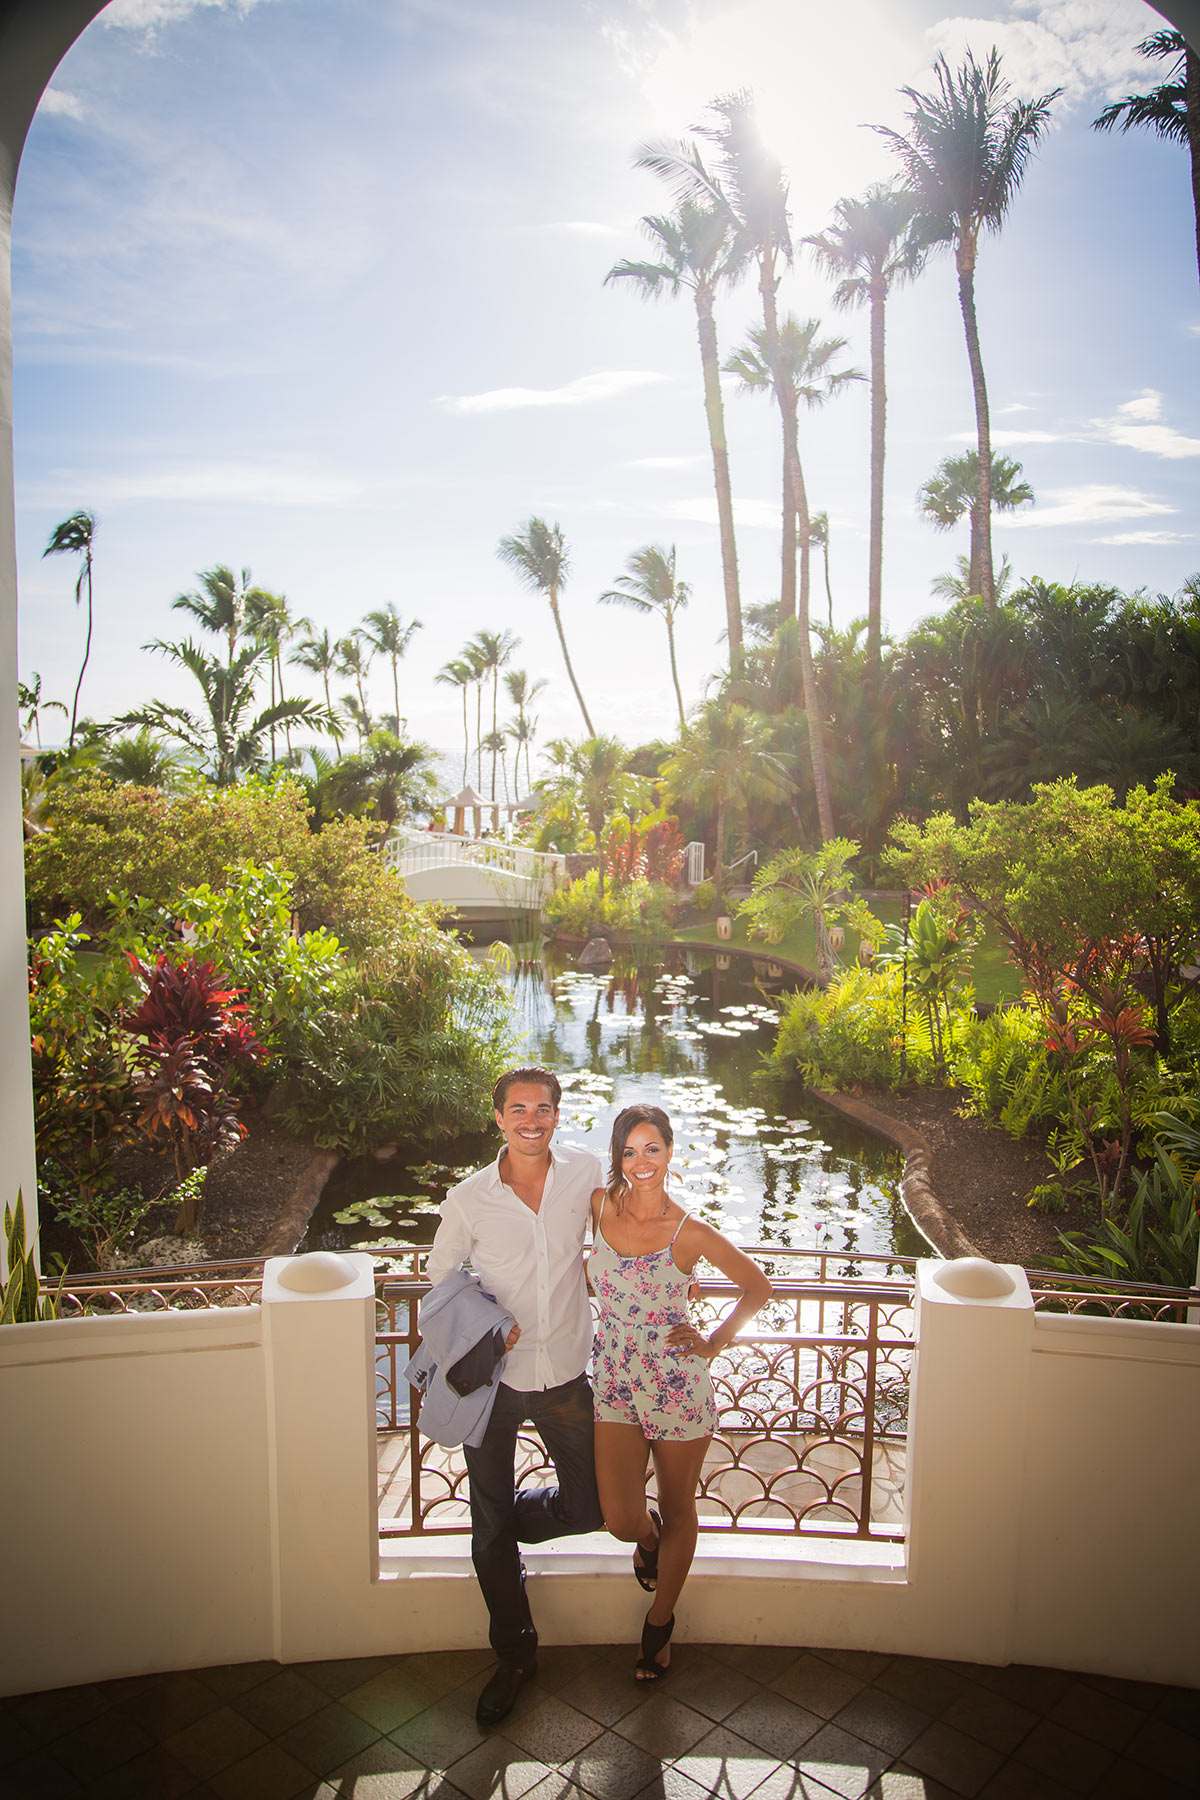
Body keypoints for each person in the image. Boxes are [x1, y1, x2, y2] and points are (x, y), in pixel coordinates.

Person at [425, 1066, 605, 1726]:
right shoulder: (470, 1198)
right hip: (495, 1386)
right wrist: (488, 1324)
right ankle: (515, 1654)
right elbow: (440, 1279)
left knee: (594, 1506)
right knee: (491, 1521)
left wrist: (672, 1271)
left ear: (558, 1115)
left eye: (545, 1108)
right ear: (498, 1117)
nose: (533, 1119)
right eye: (519, 1108)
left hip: (564, 1377)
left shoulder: (585, 1173)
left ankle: (497, 1529)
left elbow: (633, 1220)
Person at [589, 1102, 772, 1680]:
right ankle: (648, 1544)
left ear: (669, 1151)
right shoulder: (597, 1207)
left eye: (652, 1149)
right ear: (616, 1157)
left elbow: (756, 1287)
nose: (641, 1162)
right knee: (620, 1515)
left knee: (677, 1504)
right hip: (613, 1377)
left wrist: (713, 1343)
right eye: (629, 1151)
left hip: (674, 1384)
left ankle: (660, 1620)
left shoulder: (690, 1232)